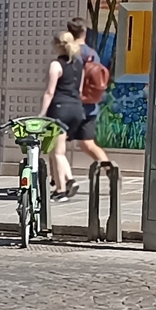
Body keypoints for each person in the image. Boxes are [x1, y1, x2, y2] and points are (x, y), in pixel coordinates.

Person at [37, 31, 100, 197]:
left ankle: (61, 190)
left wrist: (42, 114)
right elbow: (79, 90)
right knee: (58, 150)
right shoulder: (79, 65)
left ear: (58, 46)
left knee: (57, 152)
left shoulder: (56, 65)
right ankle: (70, 180)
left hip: (60, 109)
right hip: (77, 110)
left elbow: (50, 92)